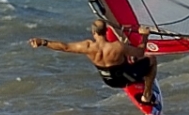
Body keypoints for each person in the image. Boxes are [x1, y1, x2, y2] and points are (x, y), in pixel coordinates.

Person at [28, 19, 157, 104]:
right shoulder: (117, 47)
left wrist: (44, 42)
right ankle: (147, 96)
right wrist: (144, 36)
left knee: (126, 55)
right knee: (151, 59)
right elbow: (140, 52)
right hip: (125, 78)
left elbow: (64, 47)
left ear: (93, 32)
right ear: (106, 31)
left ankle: (135, 72)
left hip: (108, 81)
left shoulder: (88, 47)